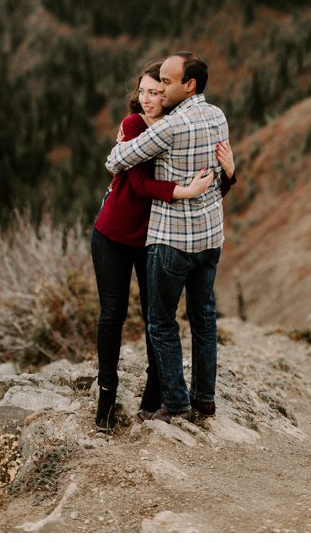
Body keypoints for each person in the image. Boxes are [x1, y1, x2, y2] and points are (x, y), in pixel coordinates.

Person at [90, 61, 236, 429]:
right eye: (143, 91)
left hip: (156, 237)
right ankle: (106, 398)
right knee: (114, 315)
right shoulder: (135, 125)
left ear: (173, 93)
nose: (149, 98)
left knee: (157, 319)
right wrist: (185, 190)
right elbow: (134, 181)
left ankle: (157, 396)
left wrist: (229, 173)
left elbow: (211, 176)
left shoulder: (175, 127)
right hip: (116, 232)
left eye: (157, 90)